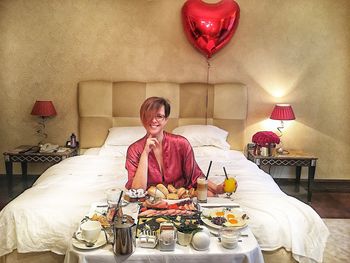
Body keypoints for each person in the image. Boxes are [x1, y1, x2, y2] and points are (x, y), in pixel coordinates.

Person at [125, 96, 224, 196]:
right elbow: (137, 191)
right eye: (149, 115)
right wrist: (145, 153)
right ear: (142, 118)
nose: (154, 120)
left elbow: (195, 175)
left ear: (166, 119)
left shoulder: (181, 143)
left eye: (159, 116)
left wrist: (217, 188)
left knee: (209, 194)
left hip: (180, 196)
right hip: (150, 199)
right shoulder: (134, 150)